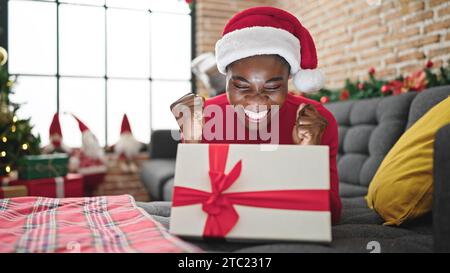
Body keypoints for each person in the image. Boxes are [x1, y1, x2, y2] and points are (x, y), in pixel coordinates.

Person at [170, 6, 341, 224]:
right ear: (226, 80)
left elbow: (331, 215)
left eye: (272, 87)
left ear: (288, 80)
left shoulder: (315, 120)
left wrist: (308, 154)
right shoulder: (206, 117)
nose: (257, 100)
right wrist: (192, 144)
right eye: (241, 86)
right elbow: (190, 211)